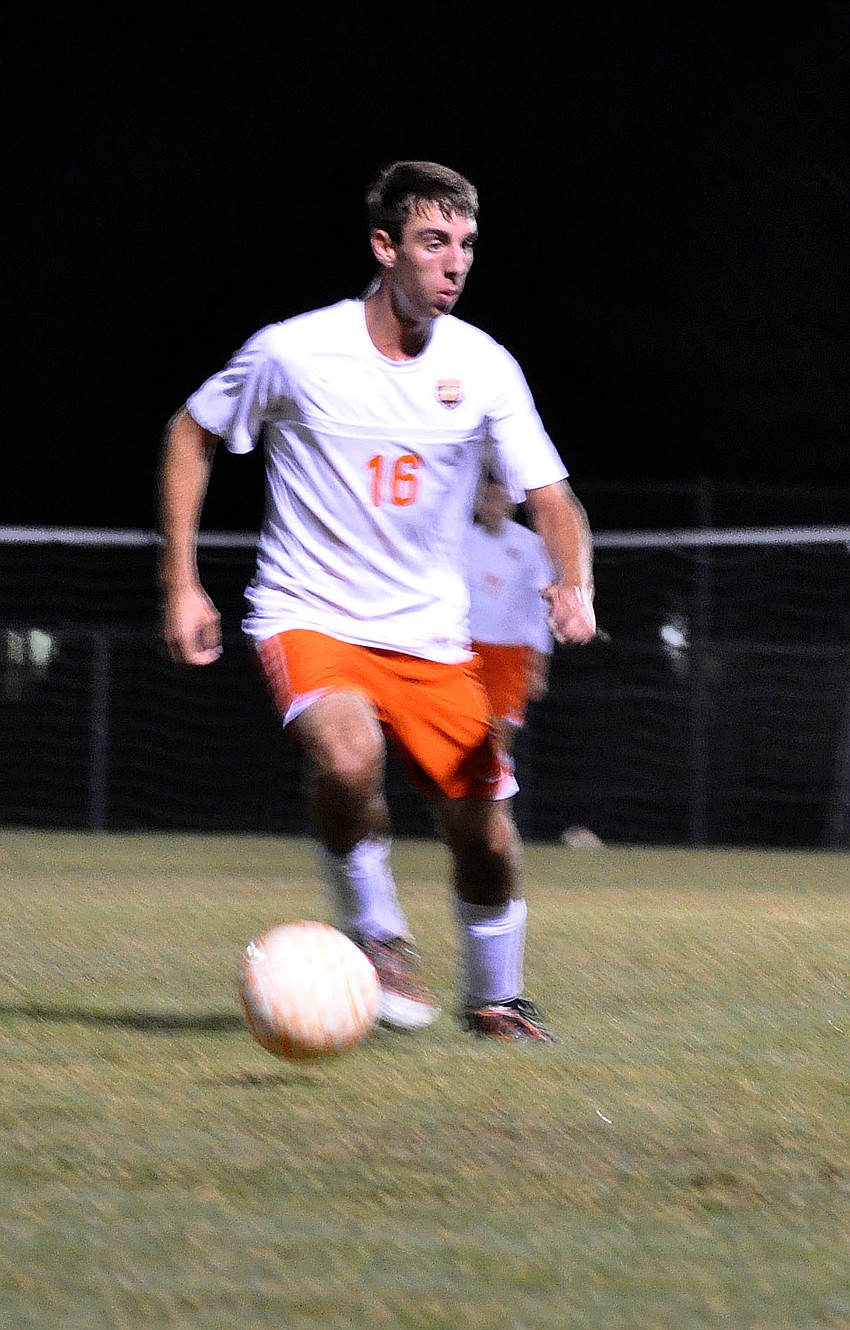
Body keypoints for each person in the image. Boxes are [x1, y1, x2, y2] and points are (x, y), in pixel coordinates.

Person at [158, 159, 596, 1043]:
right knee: (348, 760)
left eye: (467, 245)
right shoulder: (296, 349)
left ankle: (499, 999)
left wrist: (572, 576)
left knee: (485, 833)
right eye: (434, 243)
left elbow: (551, 496)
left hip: (433, 638)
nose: (455, 263)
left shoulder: (485, 367)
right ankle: (378, 937)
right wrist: (181, 581)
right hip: (309, 613)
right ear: (384, 246)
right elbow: (192, 430)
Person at [466, 475, 555, 758]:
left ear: (511, 502)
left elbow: (541, 608)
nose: (493, 505)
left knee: (496, 747)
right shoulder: (459, 541)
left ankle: (497, 797)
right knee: (460, 742)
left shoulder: (530, 547)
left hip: (512, 654)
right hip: (464, 651)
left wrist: (539, 664)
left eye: (499, 498)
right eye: (487, 498)